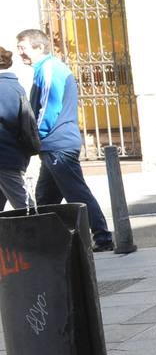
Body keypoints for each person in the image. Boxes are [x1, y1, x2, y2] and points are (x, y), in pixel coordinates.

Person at [14, 29, 114, 251]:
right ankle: (48, 243)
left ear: (39, 47)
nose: (20, 53)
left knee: (76, 193)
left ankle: (103, 237)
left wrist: (35, 137)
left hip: (56, 143)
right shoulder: (45, 69)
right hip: (53, 144)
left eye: (23, 48)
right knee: (46, 197)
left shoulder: (50, 69)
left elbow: (50, 108)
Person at [0, 47, 33, 210]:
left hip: (4, 158)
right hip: (11, 156)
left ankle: (44, 234)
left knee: (25, 207)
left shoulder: (3, 88)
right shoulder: (14, 86)